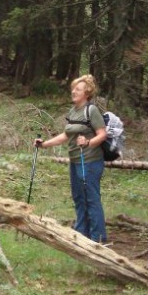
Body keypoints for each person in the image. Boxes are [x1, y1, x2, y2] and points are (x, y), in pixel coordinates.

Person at [34, 74, 108, 243]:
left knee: (91, 198)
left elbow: (102, 134)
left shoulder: (92, 110)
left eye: (78, 89)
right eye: (73, 88)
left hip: (89, 161)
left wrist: (88, 142)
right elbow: (66, 135)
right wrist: (44, 144)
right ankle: (81, 233)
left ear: (87, 93)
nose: (73, 91)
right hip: (75, 161)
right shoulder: (73, 111)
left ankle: (98, 237)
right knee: (78, 197)